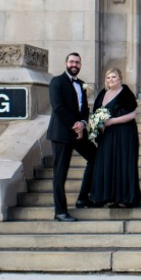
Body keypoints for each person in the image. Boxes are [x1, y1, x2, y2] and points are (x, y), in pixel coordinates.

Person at [46, 52, 96, 222]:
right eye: (72, 61)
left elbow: (85, 108)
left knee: (95, 156)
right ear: (66, 63)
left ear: (81, 65)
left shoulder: (82, 84)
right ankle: (60, 212)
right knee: (60, 173)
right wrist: (75, 125)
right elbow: (58, 107)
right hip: (61, 133)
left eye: (77, 62)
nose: (74, 64)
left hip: (79, 132)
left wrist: (83, 122)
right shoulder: (56, 81)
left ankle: (83, 197)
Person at [89, 67, 141, 208]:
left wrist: (112, 121)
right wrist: (96, 125)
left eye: (113, 77)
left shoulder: (125, 92)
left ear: (120, 78)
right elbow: (96, 113)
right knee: (107, 162)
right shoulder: (102, 94)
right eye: (108, 77)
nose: (110, 80)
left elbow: (133, 114)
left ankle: (124, 198)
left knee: (122, 163)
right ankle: (107, 196)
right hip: (107, 135)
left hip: (124, 133)